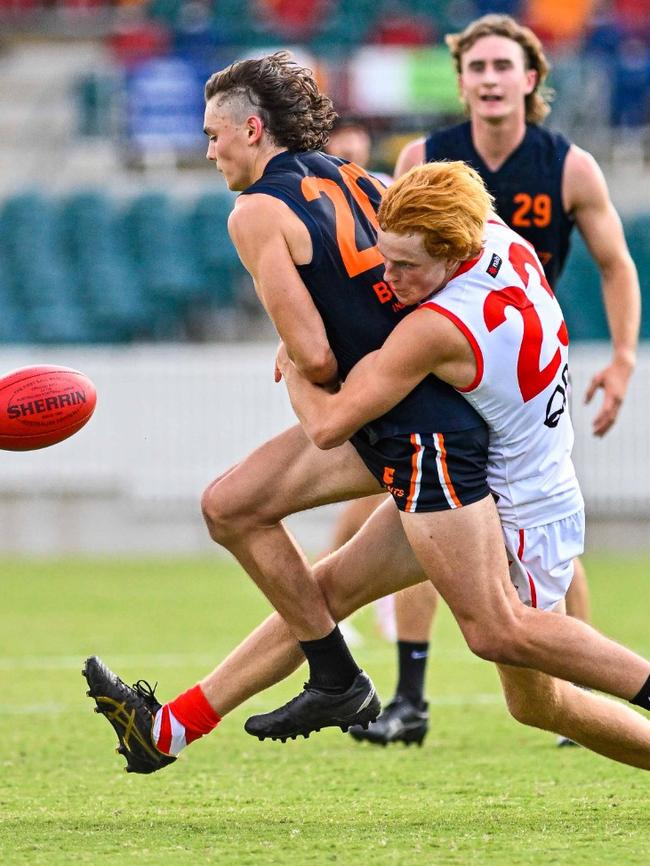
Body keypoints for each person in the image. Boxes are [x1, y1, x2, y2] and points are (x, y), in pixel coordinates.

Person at [83, 161, 650, 775]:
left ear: (452, 251)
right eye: (387, 257)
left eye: (406, 266)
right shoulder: (495, 235)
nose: (390, 275)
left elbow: (328, 426)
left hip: (523, 504)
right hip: (487, 472)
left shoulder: (437, 328)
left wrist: (299, 359)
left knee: (527, 678)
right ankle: (168, 729)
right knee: (320, 596)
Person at [82, 50, 495, 771]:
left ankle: (334, 677)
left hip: (418, 435)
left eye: (213, 135)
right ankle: (178, 728)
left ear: (251, 129)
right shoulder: (352, 175)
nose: (207, 150)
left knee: (512, 646)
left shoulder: (255, 212)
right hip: (416, 413)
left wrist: (293, 348)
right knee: (251, 523)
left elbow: (317, 360)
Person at [350, 13, 641, 748]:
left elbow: (615, 263)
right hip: (445, 364)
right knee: (425, 510)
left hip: (509, 371)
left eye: (501, 66)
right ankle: (410, 694)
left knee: (535, 554)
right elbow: (386, 259)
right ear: (461, 82)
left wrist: (623, 356)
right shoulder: (426, 158)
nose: (487, 79)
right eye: (474, 67)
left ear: (531, 79)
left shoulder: (568, 166)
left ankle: (575, 691)